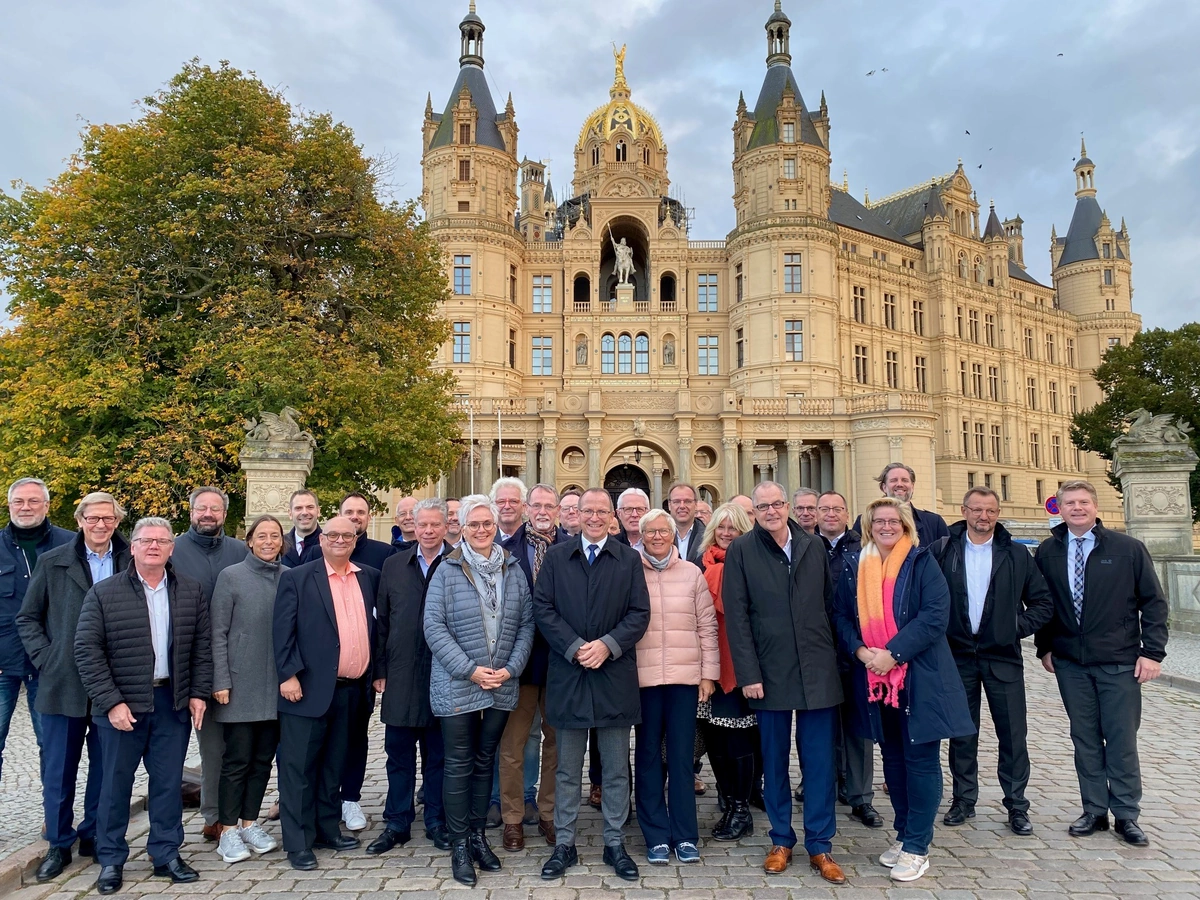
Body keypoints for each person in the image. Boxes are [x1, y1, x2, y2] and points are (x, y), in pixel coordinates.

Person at [830, 498, 973, 883]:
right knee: (893, 760)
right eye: (879, 521)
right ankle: (903, 833)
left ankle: (918, 846)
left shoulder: (922, 562)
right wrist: (861, 651)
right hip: (876, 679)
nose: (886, 526)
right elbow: (841, 615)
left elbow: (934, 616)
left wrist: (892, 654)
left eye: (893, 520)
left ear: (905, 525)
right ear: (869, 525)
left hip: (918, 675)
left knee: (921, 761)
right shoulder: (855, 565)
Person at [74, 517, 211, 895]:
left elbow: (202, 648)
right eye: (146, 540)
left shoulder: (191, 591)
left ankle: (166, 854)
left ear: (171, 549)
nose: (154, 546)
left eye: (162, 541)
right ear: (132, 547)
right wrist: (111, 702)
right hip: (122, 706)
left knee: (167, 784)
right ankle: (111, 860)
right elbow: (87, 651)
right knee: (114, 787)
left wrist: (198, 693)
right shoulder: (104, 593)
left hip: (172, 703)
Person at [722, 481, 845, 884]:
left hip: (816, 669)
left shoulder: (812, 545)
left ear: (787, 505)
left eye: (777, 504)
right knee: (773, 762)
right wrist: (749, 674)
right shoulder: (742, 550)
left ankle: (821, 845)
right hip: (769, 674)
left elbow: (829, 605)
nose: (771, 511)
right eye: (763, 506)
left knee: (819, 763)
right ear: (754, 511)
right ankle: (780, 839)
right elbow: (737, 619)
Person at [1034, 480, 1168, 846]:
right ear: (1059, 508)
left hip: (1119, 661)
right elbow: (1044, 604)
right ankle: (1094, 809)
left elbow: (1153, 603)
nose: (1077, 508)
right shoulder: (1047, 551)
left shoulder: (1127, 549)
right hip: (1070, 664)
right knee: (1085, 738)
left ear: (1095, 507)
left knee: (1121, 738)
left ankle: (1126, 814)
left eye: (1083, 502)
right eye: (1069, 503)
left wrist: (1152, 653)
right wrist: (1044, 647)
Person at [533, 488, 650, 882]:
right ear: (577, 514)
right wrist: (575, 647)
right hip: (569, 675)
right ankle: (564, 843)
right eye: (588, 510)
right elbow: (542, 609)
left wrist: (607, 646)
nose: (595, 517)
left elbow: (639, 613)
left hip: (613, 674)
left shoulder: (628, 559)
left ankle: (614, 842)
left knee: (616, 768)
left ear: (612, 517)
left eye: (602, 511)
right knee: (567, 769)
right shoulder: (555, 558)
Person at [18, 492, 129, 882]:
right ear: (80, 520)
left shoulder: (130, 559)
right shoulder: (53, 561)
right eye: (93, 518)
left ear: (117, 522)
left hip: (115, 685)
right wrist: (47, 658)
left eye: (108, 519)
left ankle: (94, 835)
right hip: (61, 682)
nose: (101, 525)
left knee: (106, 769)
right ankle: (58, 844)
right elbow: (28, 618)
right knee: (59, 770)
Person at [423, 494, 534, 886]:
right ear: (463, 528)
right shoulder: (447, 568)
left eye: (488, 523)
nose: (483, 529)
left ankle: (477, 836)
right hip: (459, 683)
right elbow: (433, 627)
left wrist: (510, 668)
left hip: (502, 682)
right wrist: (471, 671)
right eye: (474, 524)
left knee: (486, 760)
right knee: (457, 763)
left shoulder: (513, 567)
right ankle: (458, 844)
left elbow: (526, 623)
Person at [935, 487, 1053, 836]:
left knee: (1013, 734)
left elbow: (1043, 603)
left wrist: (1015, 628)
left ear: (997, 513)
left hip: (1002, 656)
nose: (983, 517)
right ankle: (963, 799)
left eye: (990, 511)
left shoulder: (1016, 554)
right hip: (958, 656)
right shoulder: (944, 550)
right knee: (961, 732)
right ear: (964, 510)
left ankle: (1016, 805)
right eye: (976, 510)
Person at [272, 515, 380, 871]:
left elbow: (375, 632)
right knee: (299, 769)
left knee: (335, 766)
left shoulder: (368, 578)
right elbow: (282, 631)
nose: (339, 540)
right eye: (332, 534)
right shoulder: (298, 578)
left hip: (351, 690)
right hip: (306, 690)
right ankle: (299, 841)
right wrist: (288, 675)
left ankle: (326, 829)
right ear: (321, 539)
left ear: (355, 539)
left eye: (347, 535)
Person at [633, 509, 718, 865]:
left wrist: (708, 673)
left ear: (672, 535)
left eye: (662, 531)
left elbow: (706, 626)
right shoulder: (630, 572)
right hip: (643, 680)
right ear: (641, 536)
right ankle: (655, 834)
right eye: (650, 532)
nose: (656, 537)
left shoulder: (691, 573)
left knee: (683, 758)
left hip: (684, 679)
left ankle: (684, 835)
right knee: (649, 757)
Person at [368, 498, 452, 856]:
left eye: (435, 525)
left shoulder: (459, 563)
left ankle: (436, 819)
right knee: (398, 754)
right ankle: (397, 821)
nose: (429, 531)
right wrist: (380, 669)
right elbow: (382, 622)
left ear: (447, 527)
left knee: (439, 755)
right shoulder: (393, 565)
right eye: (423, 525)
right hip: (401, 674)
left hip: (446, 675)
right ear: (412, 527)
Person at [169, 486, 248, 843]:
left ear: (224, 514)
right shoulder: (173, 551)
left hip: (239, 660)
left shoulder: (239, 551)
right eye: (202, 508)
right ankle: (212, 815)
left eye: (215, 509)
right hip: (186, 661)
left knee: (241, 744)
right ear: (190, 513)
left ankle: (241, 813)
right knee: (208, 746)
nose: (208, 514)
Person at [209, 515, 287, 863]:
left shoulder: (288, 578)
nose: (269, 541)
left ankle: (249, 823)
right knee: (237, 759)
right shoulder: (232, 577)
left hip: (277, 688)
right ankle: (227, 830)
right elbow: (218, 633)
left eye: (275, 536)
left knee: (262, 761)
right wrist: (221, 680)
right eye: (262, 536)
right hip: (240, 684)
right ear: (250, 541)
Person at [497, 484, 566, 851]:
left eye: (548, 505)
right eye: (535, 504)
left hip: (560, 663)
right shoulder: (503, 550)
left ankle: (549, 813)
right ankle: (512, 819)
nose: (541, 510)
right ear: (527, 508)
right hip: (519, 664)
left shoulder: (571, 547)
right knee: (513, 745)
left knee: (557, 744)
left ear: (557, 509)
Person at [814, 491, 880, 828]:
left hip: (856, 649)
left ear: (846, 513)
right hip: (819, 650)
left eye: (836, 509)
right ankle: (822, 789)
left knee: (858, 728)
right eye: (823, 509)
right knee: (822, 728)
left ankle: (860, 797)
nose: (829, 514)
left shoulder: (864, 548)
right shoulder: (805, 546)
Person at [1, 478, 72, 789]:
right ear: (9, 505)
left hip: (52, 664)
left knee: (54, 747)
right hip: (3, 662)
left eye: (33, 501)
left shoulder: (71, 545)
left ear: (47, 505)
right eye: (19, 501)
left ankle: (53, 818)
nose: (25, 507)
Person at [696, 503, 758, 842]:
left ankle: (741, 809)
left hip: (737, 664)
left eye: (734, 527)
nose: (727, 532)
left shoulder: (750, 564)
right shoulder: (703, 563)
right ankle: (730, 802)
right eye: (722, 526)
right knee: (715, 740)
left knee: (737, 740)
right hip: (707, 664)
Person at [337, 491, 393, 831]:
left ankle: (351, 799)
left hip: (363, 668)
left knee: (356, 737)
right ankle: (325, 801)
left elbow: (384, 617)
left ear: (368, 518)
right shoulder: (318, 553)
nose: (355, 517)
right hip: (324, 670)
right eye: (349, 512)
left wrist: (379, 668)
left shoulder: (382, 556)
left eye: (361, 512)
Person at [852, 463, 948, 547]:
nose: (899, 484)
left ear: (912, 486)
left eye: (905, 480)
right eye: (893, 480)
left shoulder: (934, 523)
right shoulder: (864, 522)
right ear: (884, 487)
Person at [283, 490, 322, 567]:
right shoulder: (280, 544)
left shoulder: (329, 544)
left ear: (318, 511)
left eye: (310, 507)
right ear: (290, 513)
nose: (304, 512)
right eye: (298, 508)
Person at [667, 483, 704, 564]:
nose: (682, 506)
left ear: (696, 505)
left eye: (687, 501)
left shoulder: (708, 537)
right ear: (669, 505)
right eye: (676, 502)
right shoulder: (659, 536)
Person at [490, 477, 527, 543]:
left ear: (524, 507)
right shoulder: (485, 538)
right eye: (501, 502)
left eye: (513, 501)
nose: (507, 506)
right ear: (493, 506)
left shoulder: (535, 539)